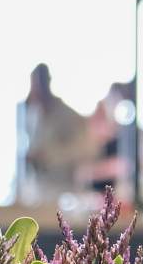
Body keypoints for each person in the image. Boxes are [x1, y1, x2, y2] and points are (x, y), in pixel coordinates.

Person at [21, 63, 93, 202]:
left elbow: (86, 149)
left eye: (38, 84)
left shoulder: (68, 116)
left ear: (47, 83)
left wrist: (50, 156)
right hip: (38, 191)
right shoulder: (33, 116)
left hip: (64, 192)